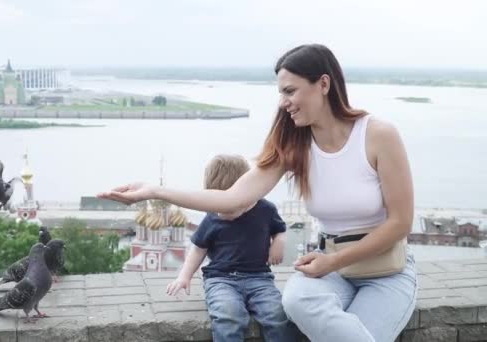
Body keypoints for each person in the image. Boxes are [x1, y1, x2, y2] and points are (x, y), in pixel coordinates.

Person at [99, 44, 417, 342]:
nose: (283, 102)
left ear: (323, 84)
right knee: (295, 301)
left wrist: (332, 263)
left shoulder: (378, 135)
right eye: (281, 93)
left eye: (290, 91)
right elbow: (231, 199)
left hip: (385, 272)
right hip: (332, 269)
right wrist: (154, 191)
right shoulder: (295, 145)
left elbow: (400, 223)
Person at [165, 154, 296, 342]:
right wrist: (184, 276)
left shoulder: (266, 210)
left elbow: (280, 229)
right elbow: (198, 249)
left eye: (228, 205)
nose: (221, 211)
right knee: (229, 316)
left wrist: (279, 243)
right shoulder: (211, 217)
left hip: (259, 278)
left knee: (277, 315)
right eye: (218, 204)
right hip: (220, 279)